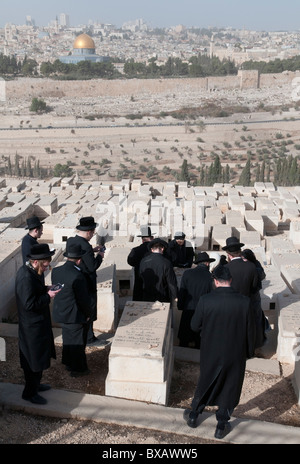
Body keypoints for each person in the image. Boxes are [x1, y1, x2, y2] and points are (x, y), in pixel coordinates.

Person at [184, 265, 255, 439]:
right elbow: (250, 331)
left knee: (206, 380)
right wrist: (248, 352)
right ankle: (221, 424)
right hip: (235, 352)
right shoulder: (245, 302)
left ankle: (194, 415)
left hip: (211, 349)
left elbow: (194, 325)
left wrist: (206, 332)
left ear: (215, 281)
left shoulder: (206, 300)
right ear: (230, 280)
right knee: (230, 385)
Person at [15, 243, 61, 405]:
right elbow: (29, 304)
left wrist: (45, 289)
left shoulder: (32, 272)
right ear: (35, 262)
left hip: (38, 325)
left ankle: (36, 385)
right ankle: (29, 393)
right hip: (31, 328)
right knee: (33, 360)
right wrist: (48, 296)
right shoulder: (25, 277)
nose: (47, 267)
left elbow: (34, 292)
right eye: (45, 264)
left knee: (40, 358)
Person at [51, 244, 92, 377]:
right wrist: (87, 314)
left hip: (61, 312)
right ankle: (78, 369)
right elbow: (83, 299)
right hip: (75, 315)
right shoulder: (78, 276)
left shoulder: (56, 271)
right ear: (79, 260)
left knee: (67, 339)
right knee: (77, 342)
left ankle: (68, 362)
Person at [66, 216, 105, 346]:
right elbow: (92, 266)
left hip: (75, 280)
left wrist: (91, 250)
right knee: (90, 309)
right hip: (87, 283)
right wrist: (100, 255)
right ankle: (89, 337)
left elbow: (78, 253)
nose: (92, 235)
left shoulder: (71, 241)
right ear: (89, 231)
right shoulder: (86, 246)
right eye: (93, 232)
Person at [177, 252, 215, 348]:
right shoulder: (211, 277)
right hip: (203, 312)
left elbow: (182, 292)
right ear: (207, 263)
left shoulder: (187, 273)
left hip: (188, 309)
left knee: (184, 340)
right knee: (199, 341)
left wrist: (180, 306)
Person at [242, 248, 269, 348]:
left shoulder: (255, 265)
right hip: (249, 295)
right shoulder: (252, 264)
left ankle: (257, 342)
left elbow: (262, 275)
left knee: (256, 319)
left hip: (253, 295)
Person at [139, 238, 178, 304]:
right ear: (162, 248)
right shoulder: (166, 263)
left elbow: (140, 278)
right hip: (162, 296)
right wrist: (175, 296)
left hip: (146, 295)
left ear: (151, 249)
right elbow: (171, 282)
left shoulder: (143, 261)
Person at [127, 226, 154, 301]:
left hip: (139, 280)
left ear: (142, 239)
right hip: (154, 282)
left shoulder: (136, 250)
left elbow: (130, 261)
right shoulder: (155, 251)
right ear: (152, 238)